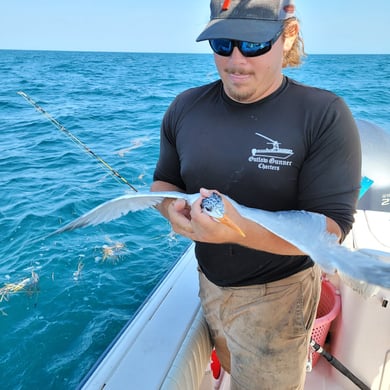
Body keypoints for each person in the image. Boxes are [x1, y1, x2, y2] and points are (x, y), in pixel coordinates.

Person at [151, 0, 362, 388]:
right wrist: (171, 209)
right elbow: (163, 182)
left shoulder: (323, 114)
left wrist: (238, 232)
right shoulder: (184, 107)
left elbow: (331, 229)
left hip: (279, 296)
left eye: (253, 45)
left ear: (289, 35)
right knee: (231, 361)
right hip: (210, 281)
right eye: (223, 44)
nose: (236, 61)